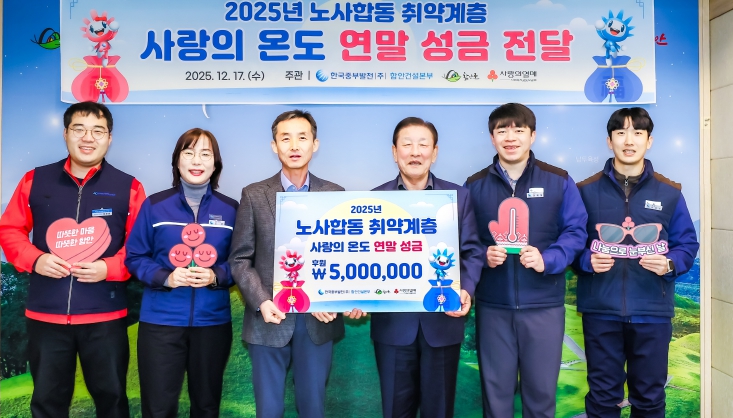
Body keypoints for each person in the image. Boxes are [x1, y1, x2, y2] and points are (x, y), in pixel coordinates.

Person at [0, 101, 145, 418]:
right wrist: (35, 259)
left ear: (109, 138)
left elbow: (140, 246)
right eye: (79, 129)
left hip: (105, 317)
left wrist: (109, 268)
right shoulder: (34, 180)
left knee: (113, 401)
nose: (88, 138)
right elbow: (9, 229)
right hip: (46, 317)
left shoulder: (129, 187)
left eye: (97, 131)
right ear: (65, 133)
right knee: (47, 403)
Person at [228, 110, 363, 417]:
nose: (294, 145)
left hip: (319, 322)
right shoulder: (254, 194)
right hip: (269, 319)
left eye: (302, 137)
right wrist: (262, 301)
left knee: (313, 408)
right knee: (269, 410)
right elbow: (239, 259)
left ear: (315, 144)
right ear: (274, 145)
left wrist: (343, 299)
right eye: (285, 138)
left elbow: (343, 256)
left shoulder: (335, 194)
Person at [464, 103, 588, 418]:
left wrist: (548, 259)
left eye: (519, 130)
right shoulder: (474, 185)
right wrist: (484, 254)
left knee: (541, 396)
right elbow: (464, 240)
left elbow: (576, 231)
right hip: (493, 307)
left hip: (544, 306)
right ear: (492, 137)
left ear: (532, 136)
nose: (511, 138)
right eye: (502, 130)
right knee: (495, 397)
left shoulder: (559, 180)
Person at [573, 108, 699, 417]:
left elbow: (687, 244)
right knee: (602, 397)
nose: (629, 141)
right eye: (621, 133)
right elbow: (570, 242)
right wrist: (587, 260)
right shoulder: (584, 191)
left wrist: (670, 264)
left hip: (652, 312)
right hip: (601, 311)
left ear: (649, 141)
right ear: (609, 141)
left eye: (637, 133)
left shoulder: (670, 192)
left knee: (649, 397)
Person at [371, 117, 484, 418]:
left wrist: (466, 289)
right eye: (407, 144)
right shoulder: (374, 200)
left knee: (440, 410)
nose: (415, 152)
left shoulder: (458, 197)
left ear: (434, 152)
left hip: (443, 323)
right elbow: (364, 259)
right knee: (396, 411)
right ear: (394, 152)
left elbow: (473, 252)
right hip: (392, 327)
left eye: (423, 145)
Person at [125, 128, 238, 417]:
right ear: (177, 161)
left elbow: (240, 261)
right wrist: (166, 277)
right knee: (158, 408)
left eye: (205, 154)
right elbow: (135, 256)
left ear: (215, 163)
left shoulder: (231, 209)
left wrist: (216, 276)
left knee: (206, 406)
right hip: (160, 322)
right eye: (189, 153)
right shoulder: (154, 205)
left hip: (212, 323)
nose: (196, 160)